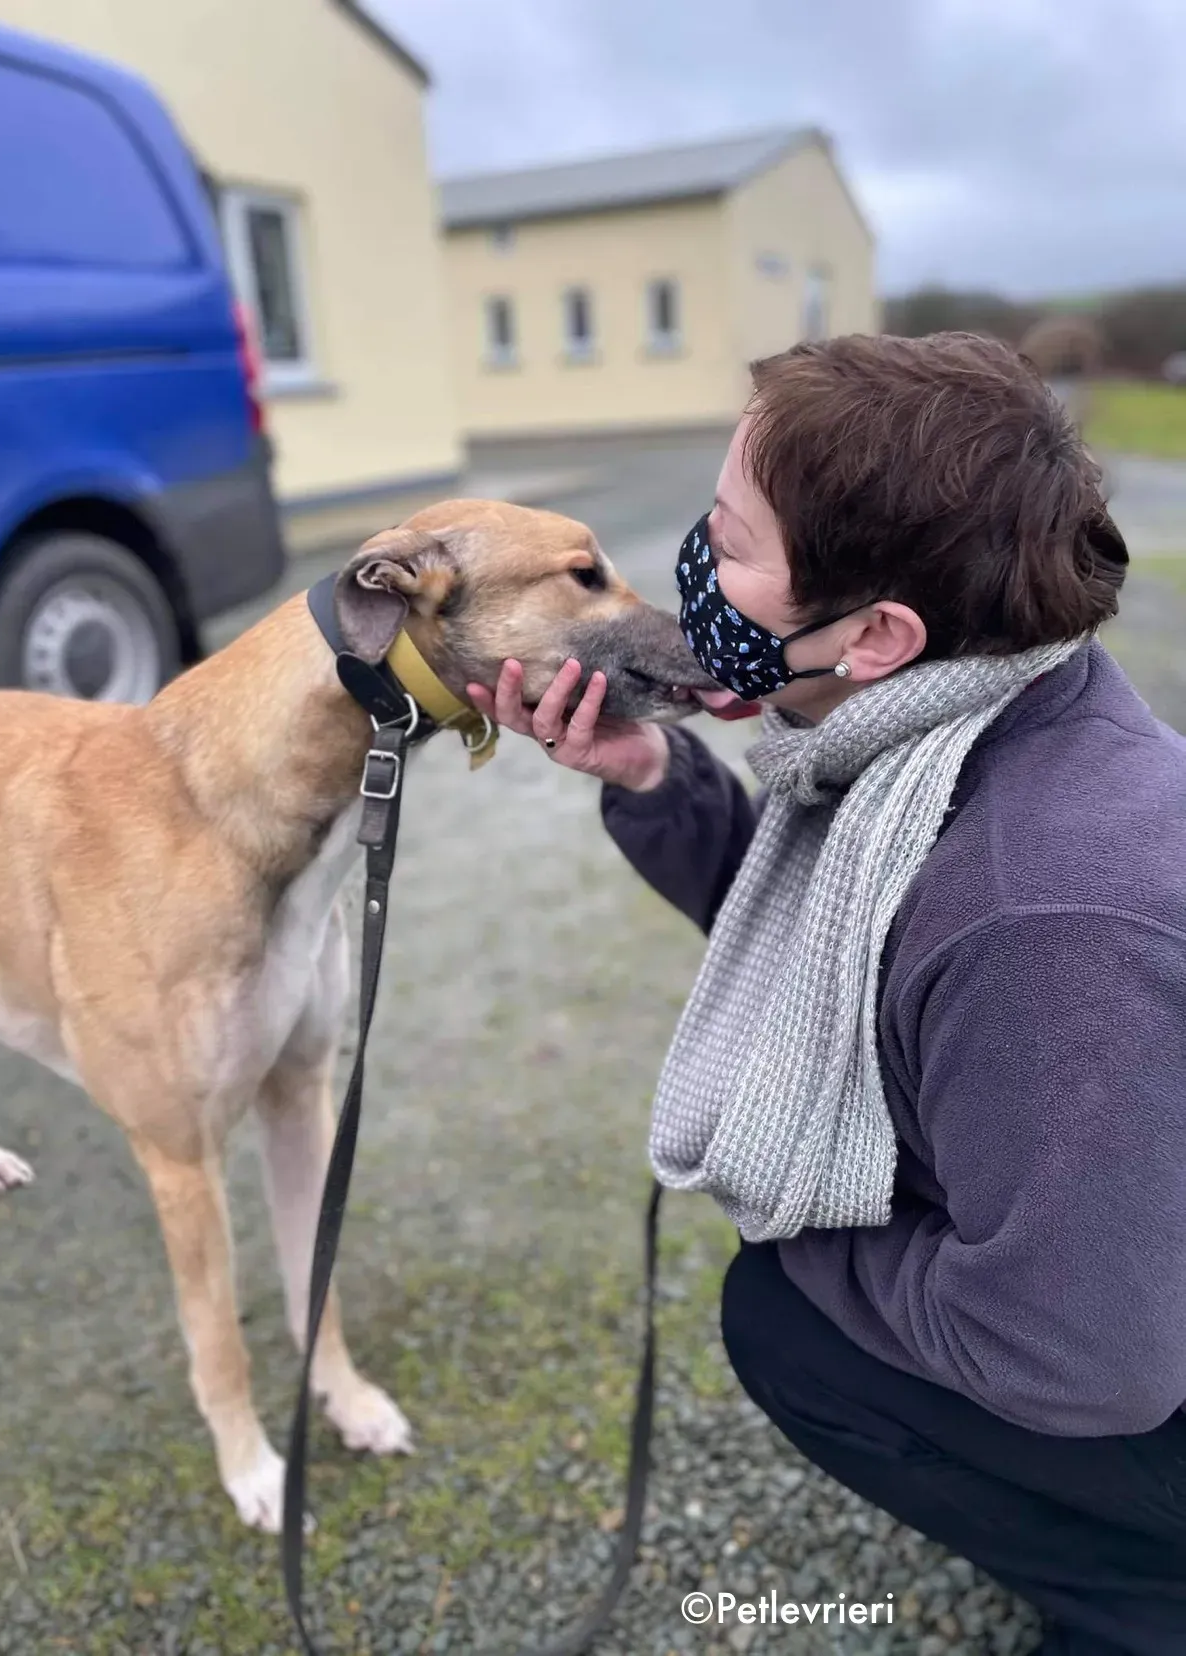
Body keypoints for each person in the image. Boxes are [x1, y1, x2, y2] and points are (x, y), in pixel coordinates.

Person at [467, 331, 1186, 1656]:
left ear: (874, 635)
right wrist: (650, 775)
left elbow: (1087, 1360)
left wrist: (809, 1234)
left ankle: (1139, 1605)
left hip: (1128, 1336)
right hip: (1136, 1251)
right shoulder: (998, 707)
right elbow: (850, 954)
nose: (688, 572)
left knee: (787, 1320)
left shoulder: (1039, 923)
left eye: (730, 544)